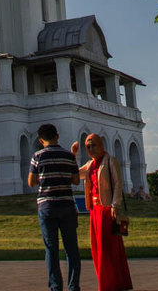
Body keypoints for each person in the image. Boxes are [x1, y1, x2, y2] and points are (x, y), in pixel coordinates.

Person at [71, 133, 133, 291]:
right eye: (88, 147)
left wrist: (115, 205)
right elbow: (75, 176)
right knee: (97, 248)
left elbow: (118, 184)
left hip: (107, 210)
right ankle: (106, 283)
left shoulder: (110, 161)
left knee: (108, 248)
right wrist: (73, 155)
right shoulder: (90, 164)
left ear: (101, 145)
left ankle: (113, 284)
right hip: (94, 211)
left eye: (94, 145)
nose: (91, 149)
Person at [28, 123, 81, 291]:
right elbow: (76, 180)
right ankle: (73, 286)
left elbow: (31, 182)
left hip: (47, 205)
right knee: (71, 248)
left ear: (40, 139)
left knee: (51, 249)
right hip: (66, 205)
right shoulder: (68, 156)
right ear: (57, 136)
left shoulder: (37, 156)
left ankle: (55, 287)